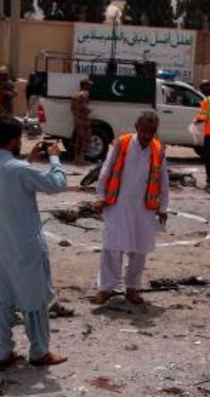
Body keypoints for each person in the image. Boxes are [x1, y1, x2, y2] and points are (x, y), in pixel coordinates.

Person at [0, 116, 68, 368]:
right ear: (14, 140)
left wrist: (28, 161)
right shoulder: (19, 169)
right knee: (34, 299)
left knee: (1, 296)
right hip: (25, 242)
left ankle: (3, 351)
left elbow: (13, 176)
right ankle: (39, 351)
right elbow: (56, 184)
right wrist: (54, 158)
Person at [92, 111, 169, 306]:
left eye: (151, 131)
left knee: (139, 250)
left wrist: (163, 207)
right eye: (143, 130)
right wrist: (100, 197)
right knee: (111, 247)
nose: (146, 134)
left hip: (144, 210)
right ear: (136, 127)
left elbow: (163, 182)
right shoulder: (122, 143)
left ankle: (132, 288)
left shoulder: (158, 150)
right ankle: (105, 288)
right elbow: (106, 171)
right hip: (117, 205)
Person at [70, 79, 92, 165]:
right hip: (83, 120)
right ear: (84, 85)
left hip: (77, 119)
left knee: (78, 139)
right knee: (85, 139)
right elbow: (85, 107)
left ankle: (76, 159)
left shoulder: (75, 94)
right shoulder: (85, 94)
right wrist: (89, 110)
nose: (89, 87)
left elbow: (72, 108)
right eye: (88, 85)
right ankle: (81, 159)